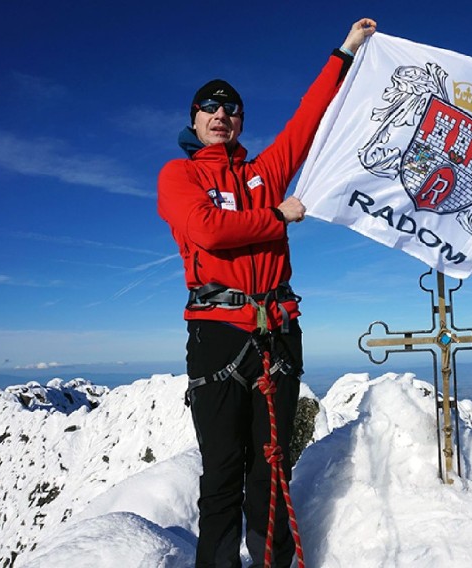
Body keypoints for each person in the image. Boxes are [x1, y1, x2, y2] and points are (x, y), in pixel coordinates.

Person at [157, 18, 377, 568]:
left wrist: (344, 52)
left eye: (231, 108)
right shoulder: (178, 176)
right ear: (194, 121)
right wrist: (276, 217)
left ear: (239, 121)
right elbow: (206, 229)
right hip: (216, 335)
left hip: (276, 332)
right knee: (225, 472)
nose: (221, 115)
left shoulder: (263, 172)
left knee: (270, 470)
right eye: (210, 108)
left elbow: (309, 119)